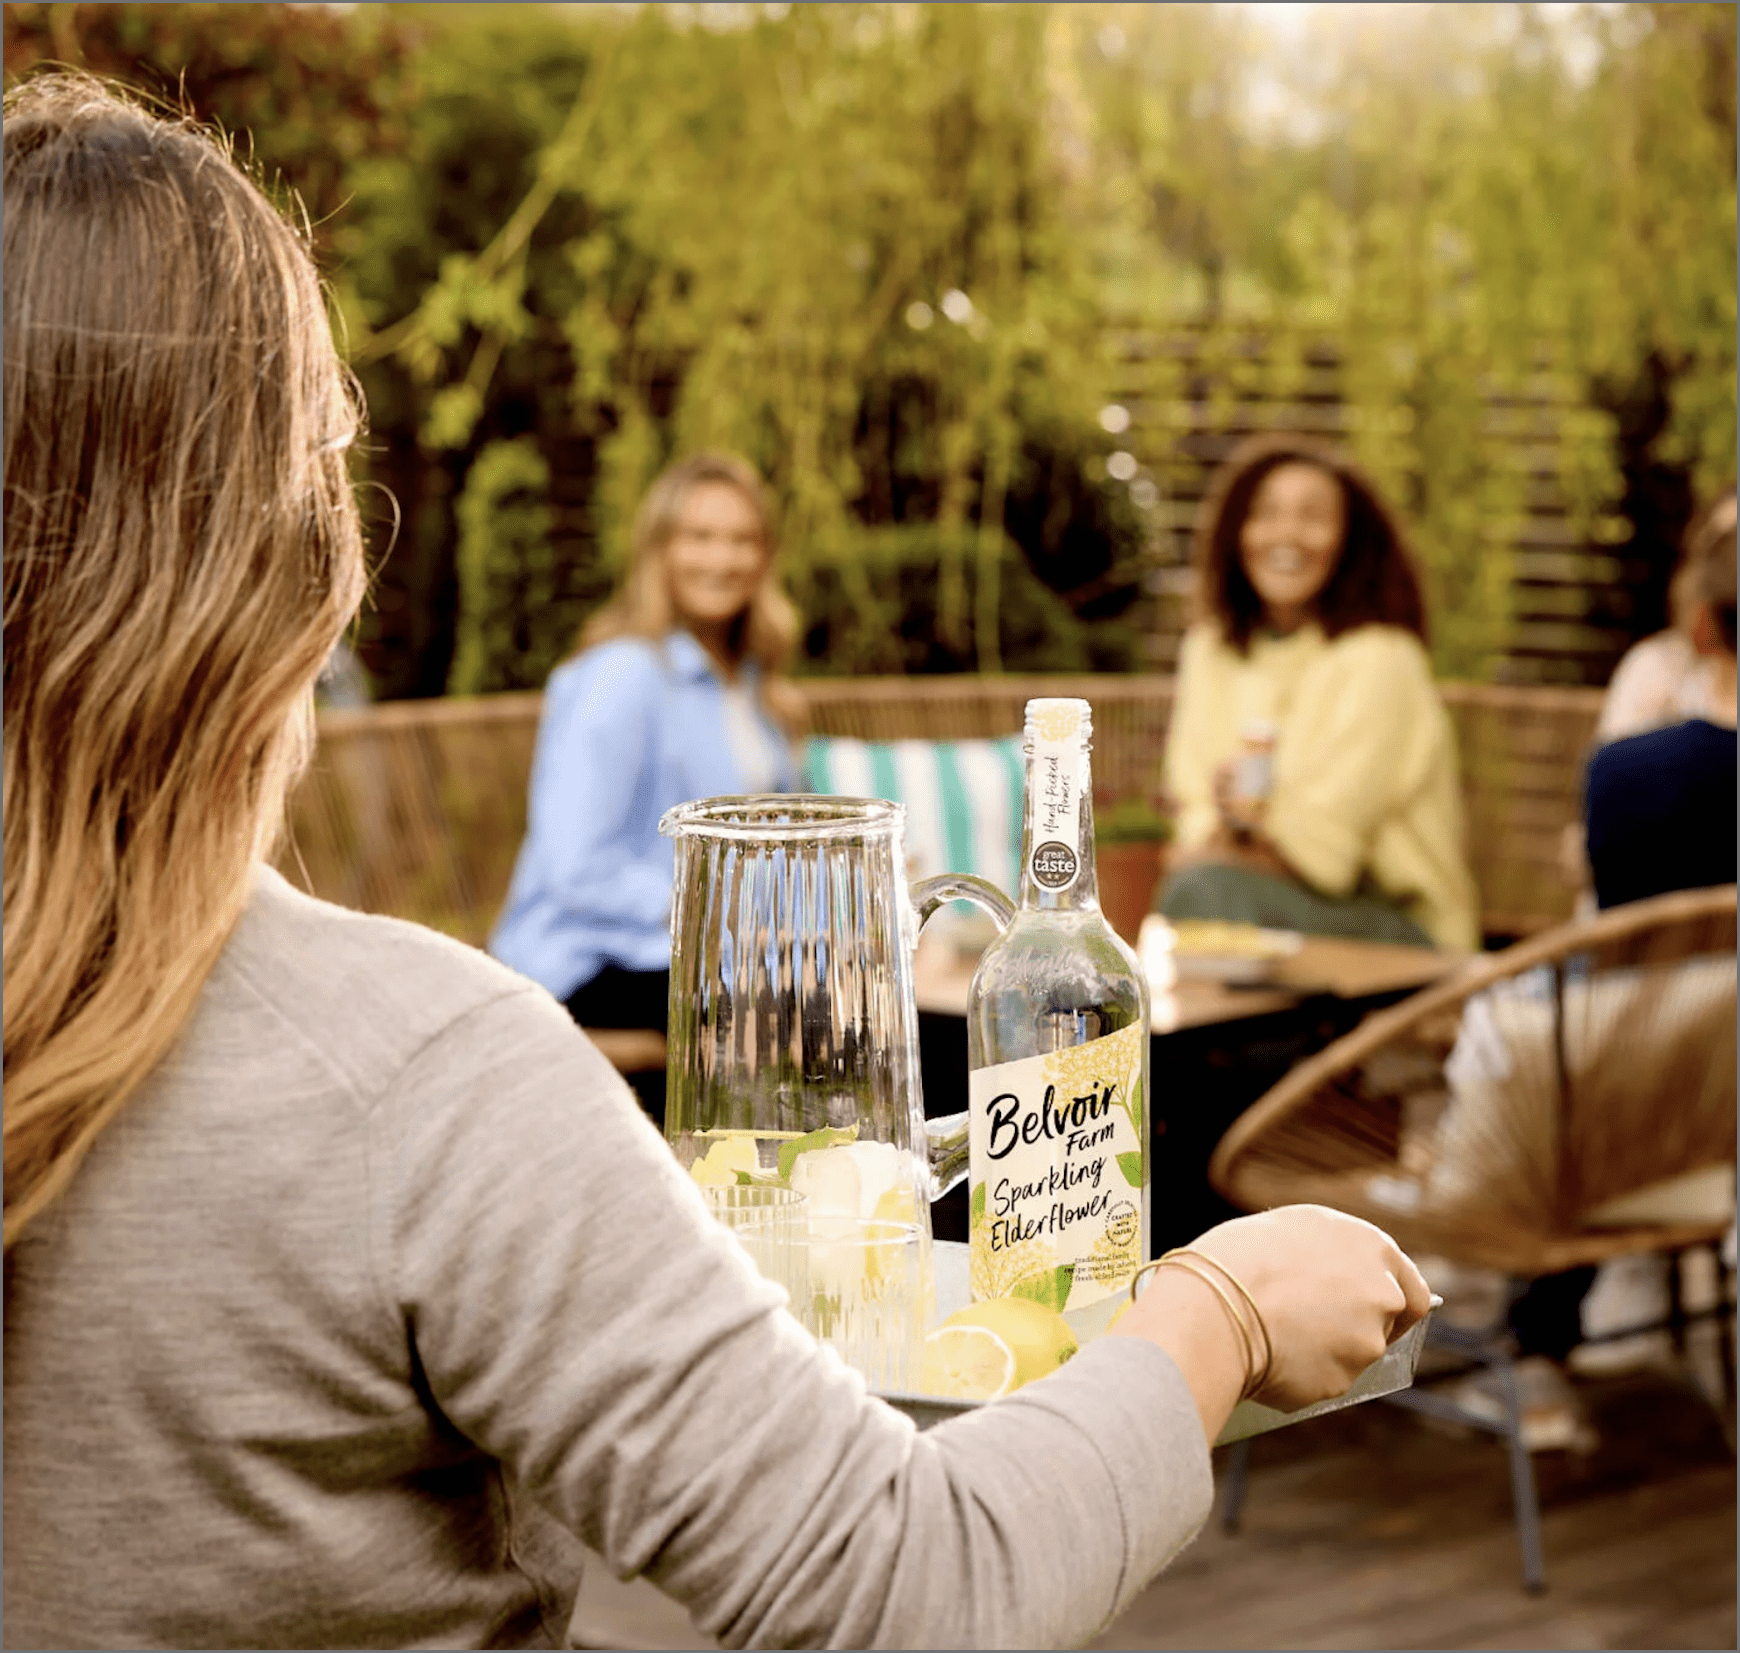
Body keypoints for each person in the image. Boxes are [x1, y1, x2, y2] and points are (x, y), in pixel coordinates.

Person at [2, 77, 1431, 1650]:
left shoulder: (740, 715)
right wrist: (1214, 1309)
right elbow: (911, 1584)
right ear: (300, 552)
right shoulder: (426, 1081)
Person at [489, 452, 803, 1126]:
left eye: (742, 538)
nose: (722, 558)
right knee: (816, 1034)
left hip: (712, 965)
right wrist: (727, 925)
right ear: (659, 549)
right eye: (699, 536)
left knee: (895, 1019)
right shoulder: (623, 675)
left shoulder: (751, 685)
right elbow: (579, 866)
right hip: (591, 967)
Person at [1158, 433, 1479, 951]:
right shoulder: (1208, 650)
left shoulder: (1381, 659)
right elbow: (1192, 813)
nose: (1287, 534)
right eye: (1265, 513)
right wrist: (1223, 833)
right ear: (1236, 533)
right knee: (1201, 897)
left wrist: (1231, 836)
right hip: (1247, 902)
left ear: (1349, 541)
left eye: (1313, 516)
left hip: (1396, 931)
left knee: (1204, 893)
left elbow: (1327, 858)